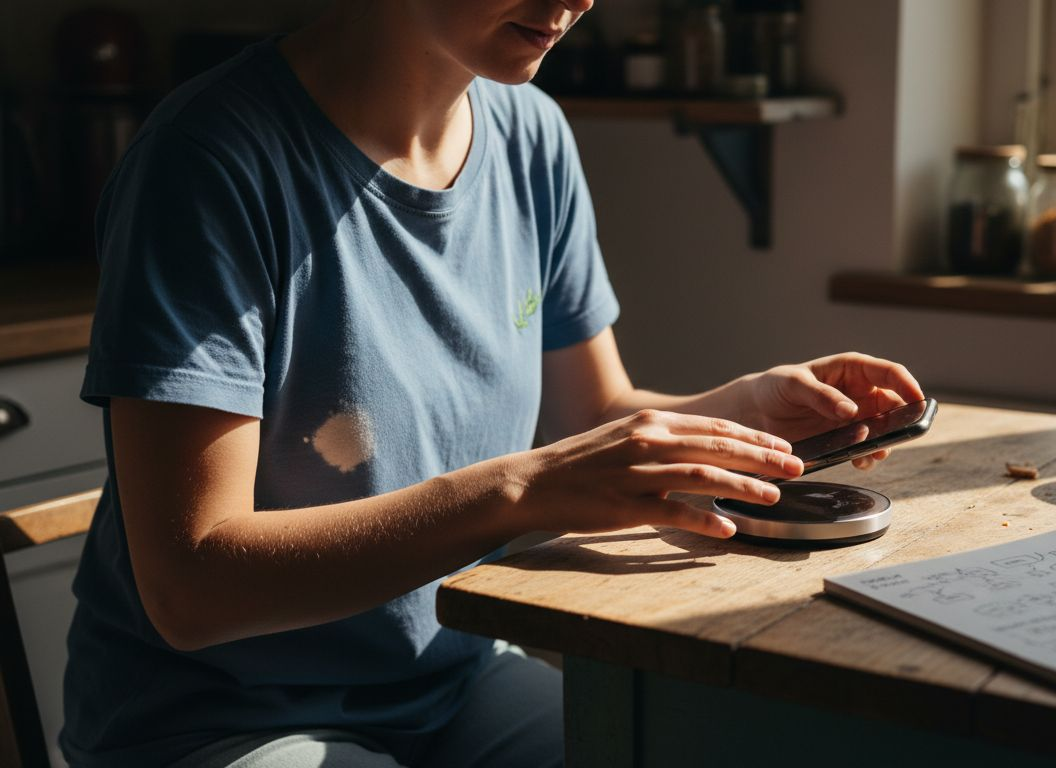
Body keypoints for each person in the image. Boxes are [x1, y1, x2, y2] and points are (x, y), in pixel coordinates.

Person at [60, 1, 924, 766]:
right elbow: (191, 587)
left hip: (455, 678)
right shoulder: (209, 163)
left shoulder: (529, 134)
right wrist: (521, 490)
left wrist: (744, 412)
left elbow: (591, 415)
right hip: (220, 719)